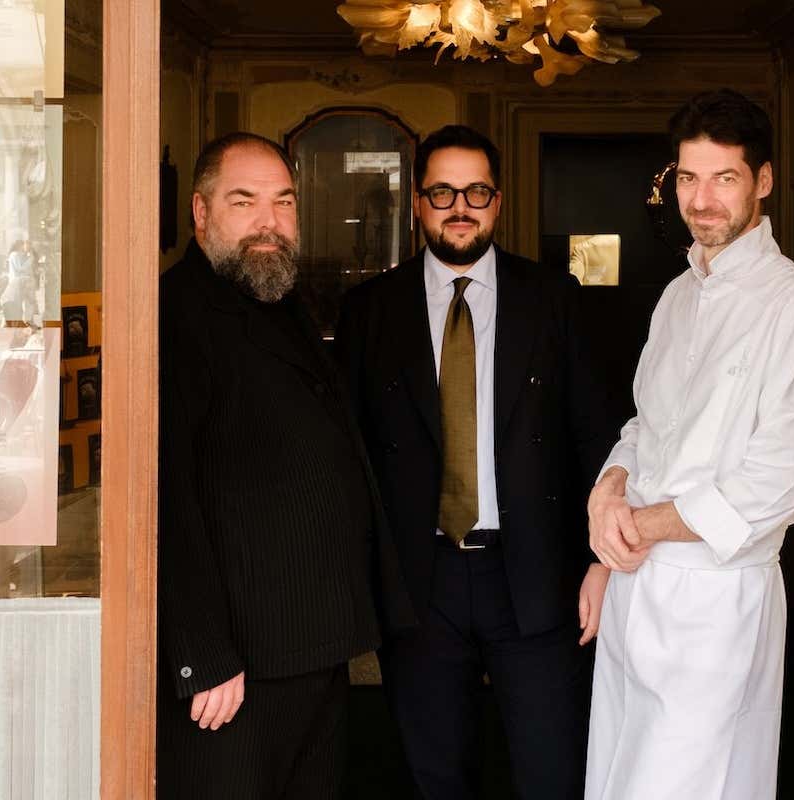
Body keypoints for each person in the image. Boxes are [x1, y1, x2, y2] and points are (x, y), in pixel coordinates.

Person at [337, 125, 614, 799]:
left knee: (552, 774)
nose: (460, 207)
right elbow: (351, 459)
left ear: (497, 202)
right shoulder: (369, 310)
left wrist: (601, 562)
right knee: (436, 780)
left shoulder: (554, 299)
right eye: (442, 192)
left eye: (476, 192)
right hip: (418, 585)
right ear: (417, 204)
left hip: (537, 576)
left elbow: (598, 437)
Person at [157, 132, 414, 799]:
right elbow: (164, 496)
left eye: (284, 202)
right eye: (244, 202)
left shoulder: (279, 300)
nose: (268, 221)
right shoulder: (174, 314)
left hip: (311, 640)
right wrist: (201, 655)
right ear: (201, 212)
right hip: (234, 666)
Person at [584, 89, 794, 800]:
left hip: (719, 603)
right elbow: (646, 427)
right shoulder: (677, 294)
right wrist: (609, 494)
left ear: (763, 181)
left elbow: (778, 483)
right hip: (636, 588)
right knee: (618, 777)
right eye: (688, 178)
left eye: (724, 178)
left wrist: (636, 527)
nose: (701, 200)